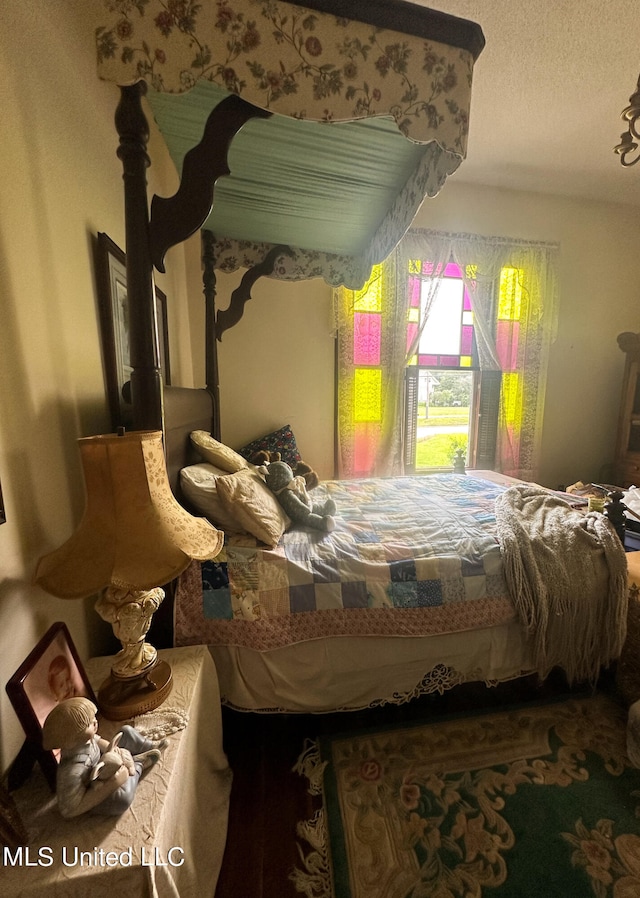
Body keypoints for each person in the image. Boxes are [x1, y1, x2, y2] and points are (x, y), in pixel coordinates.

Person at [42, 697, 166, 818]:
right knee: (122, 799)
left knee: (126, 731)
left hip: (104, 765)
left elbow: (101, 742)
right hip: (94, 790)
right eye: (89, 724)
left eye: (93, 718)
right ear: (71, 741)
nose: (95, 722)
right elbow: (70, 810)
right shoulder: (72, 771)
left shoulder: (83, 740)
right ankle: (137, 766)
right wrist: (114, 782)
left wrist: (115, 750)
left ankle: (148, 745)